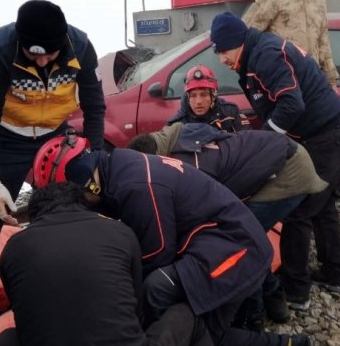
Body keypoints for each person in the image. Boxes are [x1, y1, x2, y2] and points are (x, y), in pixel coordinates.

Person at [33, 135, 314, 346]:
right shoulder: (116, 167)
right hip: (213, 242)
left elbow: (157, 254)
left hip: (234, 248)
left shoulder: (134, 185)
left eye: (77, 201)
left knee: (163, 293)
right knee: (197, 334)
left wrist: (119, 305)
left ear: (88, 185)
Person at [0, 182, 238, 346]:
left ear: (35, 216)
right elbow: (137, 310)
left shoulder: (14, 248)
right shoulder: (119, 232)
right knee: (188, 318)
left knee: (3, 344)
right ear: (83, 204)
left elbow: (23, 314)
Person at [0, 0, 105, 339]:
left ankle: (69, 299)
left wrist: (95, 158)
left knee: (68, 215)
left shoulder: (80, 47)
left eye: (48, 55)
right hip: (6, 140)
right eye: (33, 55)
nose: (41, 61)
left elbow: (95, 106)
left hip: (54, 137)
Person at [210, 12, 340, 311]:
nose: (221, 59)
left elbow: (291, 103)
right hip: (330, 130)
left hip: (328, 135)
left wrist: (266, 143)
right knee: (323, 204)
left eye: (223, 51)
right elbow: (271, 103)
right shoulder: (254, 54)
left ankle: (296, 291)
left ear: (237, 43)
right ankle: (335, 274)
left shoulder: (264, 55)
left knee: (298, 209)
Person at [128, 121, 329, 327]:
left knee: (243, 243)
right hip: (279, 153)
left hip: (289, 169)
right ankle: (275, 299)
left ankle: (254, 314)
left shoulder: (189, 165)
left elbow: (202, 211)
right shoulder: (175, 134)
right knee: (247, 236)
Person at [243, 0, 339, 90]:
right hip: (281, 82)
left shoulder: (318, 1)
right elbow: (249, 36)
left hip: (311, 82)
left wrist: (332, 81)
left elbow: (324, 44)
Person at [167, 64, 250, 132]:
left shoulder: (230, 113)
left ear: (213, 95)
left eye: (204, 95)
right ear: (188, 97)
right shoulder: (177, 125)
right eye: (193, 95)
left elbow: (247, 142)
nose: (198, 101)